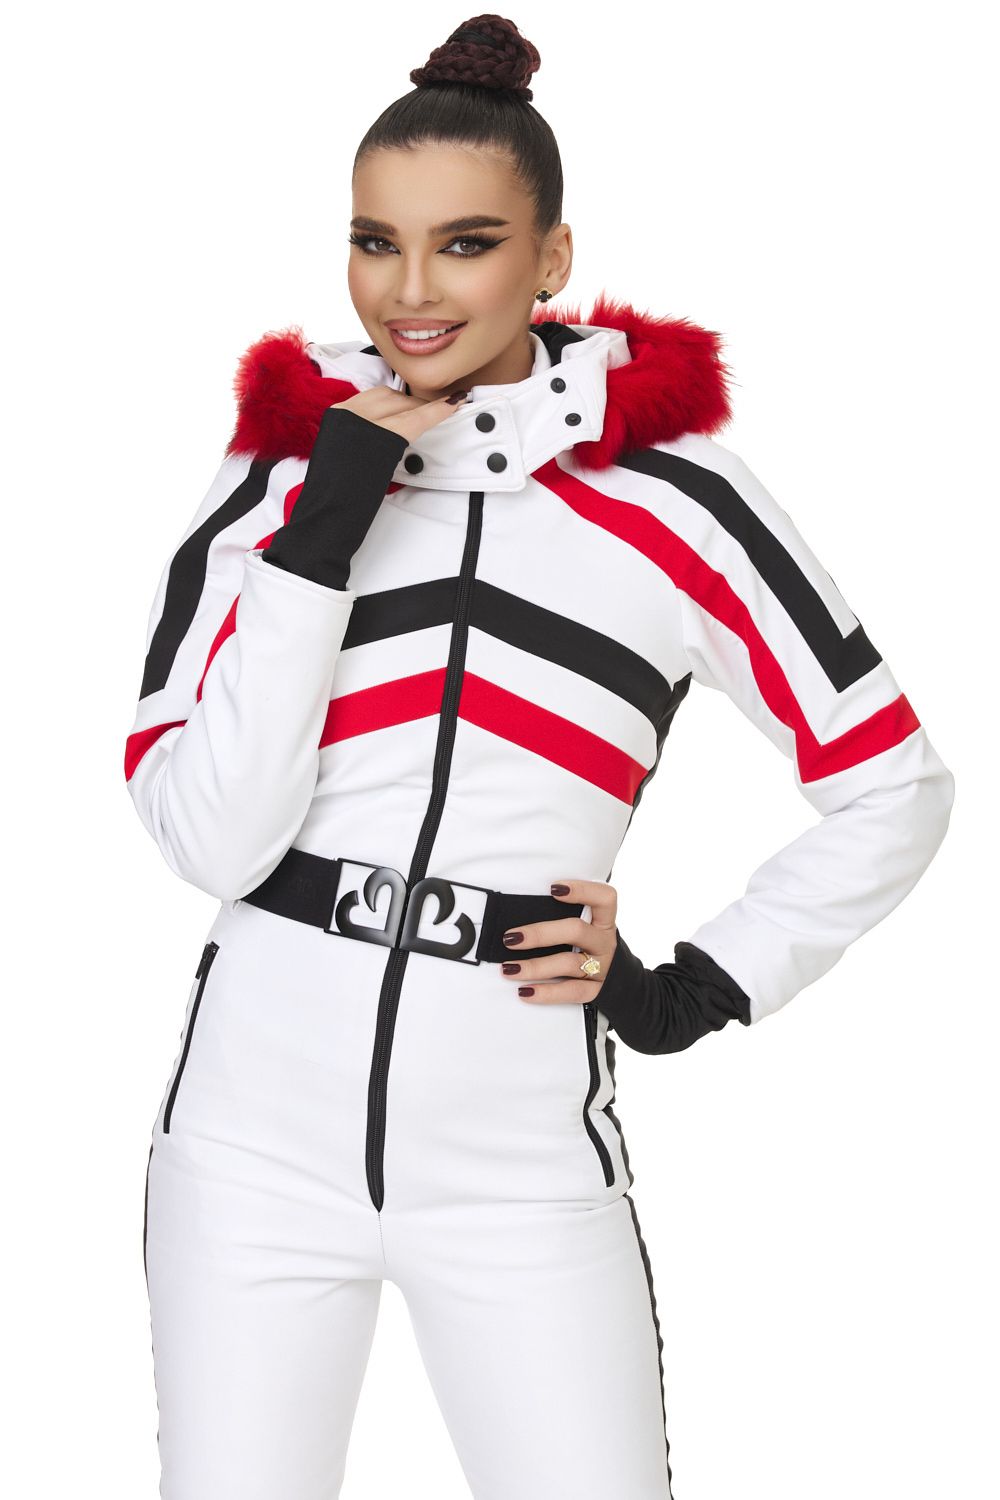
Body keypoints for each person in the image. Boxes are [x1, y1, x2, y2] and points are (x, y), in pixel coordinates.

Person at [123, 15, 956, 1499]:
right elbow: (212, 841)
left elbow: (892, 782)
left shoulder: (679, 502)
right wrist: (322, 532)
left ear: (552, 258)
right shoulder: (281, 469)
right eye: (376, 243)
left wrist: (692, 986)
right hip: (246, 1145)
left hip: (519, 1157)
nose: (411, 291)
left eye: (467, 244)